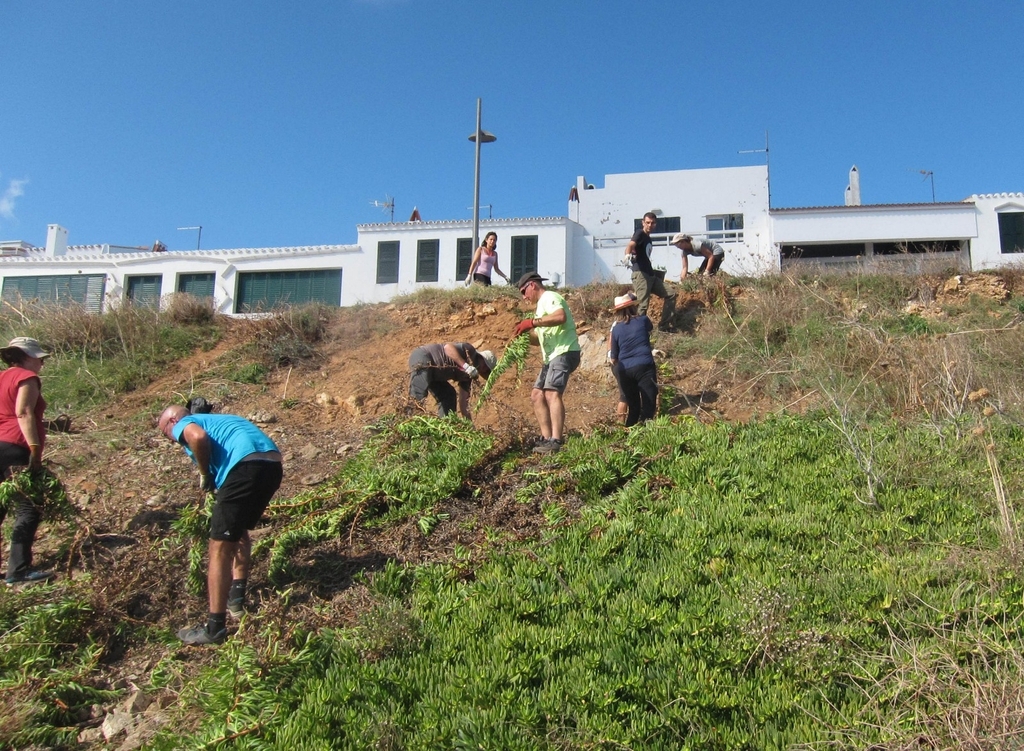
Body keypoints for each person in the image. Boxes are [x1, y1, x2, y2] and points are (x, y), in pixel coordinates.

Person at [158, 405, 284, 645]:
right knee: (237, 533)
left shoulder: (188, 423)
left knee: (218, 547)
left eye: (164, 431)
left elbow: (198, 437)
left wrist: (205, 473)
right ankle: (235, 599)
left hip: (244, 465)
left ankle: (214, 627)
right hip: (271, 463)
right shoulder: (220, 420)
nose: (170, 438)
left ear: (173, 420)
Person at [0, 337, 55, 586]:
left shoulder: (1, 377)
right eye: (39, 358)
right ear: (25, 356)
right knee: (29, 507)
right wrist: (34, 448)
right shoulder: (26, 377)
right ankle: (18, 571)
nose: (41, 363)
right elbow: (23, 412)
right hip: (15, 446)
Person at [514, 272, 581, 454]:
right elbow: (538, 338)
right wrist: (523, 336)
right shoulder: (539, 308)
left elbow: (560, 317)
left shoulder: (550, 297)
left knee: (552, 393)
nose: (524, 297)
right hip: (551, 357)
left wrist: (533, 322)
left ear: (532, 285)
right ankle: (546, 438)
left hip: (565, 351)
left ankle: (556, 440)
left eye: (523, 291)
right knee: (537, 394)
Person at [408, 343, 496, 419]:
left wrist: (470, 428)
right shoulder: (469, 350)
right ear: (481, 358)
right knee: (418, 395)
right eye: (486, 366)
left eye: (487, 371)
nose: (484, 370)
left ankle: (446, 431)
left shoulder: (469, 377)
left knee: (449, 395)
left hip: (435, 376)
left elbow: (463, 405)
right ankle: (407, 421)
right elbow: (448, 348)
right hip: (423, 357)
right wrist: (466, 366)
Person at [608, 294, 658, 426]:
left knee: (633, 407)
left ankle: (630, 433)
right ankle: (647, 432)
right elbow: (650, 328)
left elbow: (613, 357)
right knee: (649, 404)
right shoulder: (643, 320)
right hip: (645, 366)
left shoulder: (616, 329)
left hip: (626, 370)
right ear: (633, 307)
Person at [624, 212, 676, 328]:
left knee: (671, 294)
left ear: (655, 224)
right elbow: (631, 245)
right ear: (643, 223)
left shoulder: (648, 239)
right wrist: (627, 255)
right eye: (647, 222)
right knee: (642, 305)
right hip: (641, 274)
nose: (650, 225)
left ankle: (664, 325)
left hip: (650, 275)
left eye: (652, 223)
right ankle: (636, 332)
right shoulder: (640, 233)